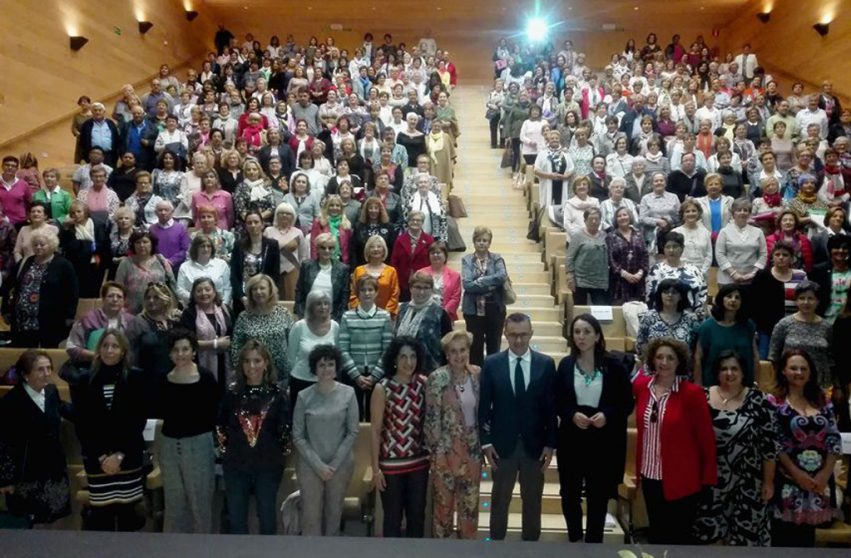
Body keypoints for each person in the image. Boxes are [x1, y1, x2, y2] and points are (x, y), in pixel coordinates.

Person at [480, 313, 557, 541]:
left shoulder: (546, 364)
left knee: (532, 501)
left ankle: (530, 549)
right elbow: (484, 407)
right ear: (505, 334)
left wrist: (550, 444)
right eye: (513, 335)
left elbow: (551, 408)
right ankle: (496, 547)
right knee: (499, 501)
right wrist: (486, 442)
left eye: (523, 334)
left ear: (531, 334)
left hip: (535, 446)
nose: (519, 340)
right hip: (502, 445)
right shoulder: (492, 363)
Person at [556, 314, 633, 542]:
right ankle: (574, 539)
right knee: (569, 493)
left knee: (597, 495)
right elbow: (557, 400)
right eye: (577, 332)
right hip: (572, 437)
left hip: (602, 439)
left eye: (587, 331)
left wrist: (607, 415)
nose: (581, 336)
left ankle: (593, 544)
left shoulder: (614, 366)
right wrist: (571, 414)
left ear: (597, 336)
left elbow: (626, 403)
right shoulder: (566, 365)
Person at [633, 337, 717, 545]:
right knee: (657, 535)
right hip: (650, 474)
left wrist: (708, 479)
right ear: (652, 360)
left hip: (682, 478)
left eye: (670, 358)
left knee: (678, 539)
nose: (664, 362)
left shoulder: (692, 394)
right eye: (659, 357)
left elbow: (706, 439)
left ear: (679, 361)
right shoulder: (642, 387)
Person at [62, 330, 147, 531]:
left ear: (123, 351)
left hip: (128, 458)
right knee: (101, 522)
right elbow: (83, 424)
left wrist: (119, 455)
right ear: (98, 350)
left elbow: (137, 421)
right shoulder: (85, 380)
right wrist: (102, 457)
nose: (109, 350)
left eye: (115, 346)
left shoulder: (135, 378)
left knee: (129, 520)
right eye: (105, 345)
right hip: (96, 460)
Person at [693, 351, 778, 546]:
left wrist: (768, 482)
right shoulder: (701, 397)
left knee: (743, 544)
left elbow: (770, 447)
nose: (729, 373)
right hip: (710, 483)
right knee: (710, 540)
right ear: (716, 372)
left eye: (734, 369)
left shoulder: (761, 401)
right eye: (724, 369)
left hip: (749, 485)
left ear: (743, 372)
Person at [769, 349, 841, 547]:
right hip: (787, 481)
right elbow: (775, 442)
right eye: (793, 368)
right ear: (783, 371)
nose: (799, 372)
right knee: (784, 541)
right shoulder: (774, 402)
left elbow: (833, 439)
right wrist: (796, 474)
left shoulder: (823, 400)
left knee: (808, 543)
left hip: (818, 483)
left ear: (810, 373)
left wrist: (825, 474)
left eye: (803, 368)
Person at [217, 340, 290, 535]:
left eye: (257, 360)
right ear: (241, 365)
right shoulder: (232, 393)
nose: (252, 366)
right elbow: (221, 426)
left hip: (268, 465)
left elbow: (285, 430)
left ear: (266, 363)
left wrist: (278, 456)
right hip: (236, 465)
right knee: (236, 518)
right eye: (247, 361)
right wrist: (227, 453)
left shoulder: (278, 394)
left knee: (267, 517)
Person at [293, 344, 359, 536]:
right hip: (310, 465)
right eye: (321, 365)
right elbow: (298, 435)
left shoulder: (349, 393)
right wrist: (319, 466)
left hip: (340, 465)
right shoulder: (303, 396)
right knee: (310, 518)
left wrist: (333, 465)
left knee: (333, 517)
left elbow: (352, 432)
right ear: (314, 368)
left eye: (330, 364)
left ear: (336, 367)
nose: (326, 369)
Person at [0, 350, 72, 526]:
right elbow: (4, 444)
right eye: (40, 369)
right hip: (27, 475)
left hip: (54, 471)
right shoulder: (11, 402)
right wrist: (6, 479)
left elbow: (62, 409)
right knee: (31, 525)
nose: (47, 373)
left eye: (49, 368)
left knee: (56, 520)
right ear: (25, 374)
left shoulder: (51, 391)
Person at [158, 329, 219, 533]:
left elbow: (214, 412)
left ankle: (202, 546)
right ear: (170, 354)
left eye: (185, 349)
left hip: (199, 445)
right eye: (176, 350)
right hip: (169, 446)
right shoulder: (164, 379)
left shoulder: (206, 377)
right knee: (174, 504)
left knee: (200, 502)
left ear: (193, 351)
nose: (180, 354)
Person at [424, 330, 482, 539]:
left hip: (472, 451)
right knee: (443, 509)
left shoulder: (477, 374)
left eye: (463, 350)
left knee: (469, 508)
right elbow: (432, 419)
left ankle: (467, 549)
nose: (459, 356)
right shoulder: (437, 378)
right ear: (447, 355)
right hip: (445, 452)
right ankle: (442, 550)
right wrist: (437, 453)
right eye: (454, 351)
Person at [369, 336, 429, 537]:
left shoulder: (424, 384)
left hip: (419, 463)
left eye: (413, 356)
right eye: (403, 356)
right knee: (392, 519)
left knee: (417, 518)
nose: (408, 362)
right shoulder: (382, 387)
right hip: (391, 466)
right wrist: (375, 469)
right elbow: (375, 430)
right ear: (394, 359)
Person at [4, 231, 79, 348]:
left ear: (51, 245)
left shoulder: (64, 265)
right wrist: (5, 309)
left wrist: (70, 315)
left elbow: (72, 292)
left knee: (47, 352)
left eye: (42, 244)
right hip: (22, 321)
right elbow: (7, 285)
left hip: (50, 322)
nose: (38, 247)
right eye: (35, 244)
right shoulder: (25, 262)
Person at [339, 275, 393, 420]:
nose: (367, 293)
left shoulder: (384, 316)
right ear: (358, 293)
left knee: (374, 417)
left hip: (377, 376)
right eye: (363, 290)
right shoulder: (347, 316)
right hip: (353, 375)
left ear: (376, 292)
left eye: (370, 289)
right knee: (353, 417)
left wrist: (374, 376)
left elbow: (387, 350)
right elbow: (343, 349)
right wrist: (356, 376)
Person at [231, 274, 294, 387]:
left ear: (270, 290)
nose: (258, 292)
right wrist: (241, 370)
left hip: (281, 373)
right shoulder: (244, 317)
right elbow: (236, 347)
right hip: (253, 374)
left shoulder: (283, 313)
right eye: (254, 289)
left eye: (262, 288)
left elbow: (293, 342)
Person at [768, 282, 833, 388]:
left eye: (810, 298)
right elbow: (774, 356)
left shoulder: (827, 327)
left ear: (818, 301)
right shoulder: (784, 324)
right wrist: (776, 381)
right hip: (790, 382)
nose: (806, 302)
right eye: (802, 298)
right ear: (796, 301)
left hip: (819, 383)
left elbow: (831, 359)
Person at [751, 243, 810, 359]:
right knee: (765, 363)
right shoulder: (762, 275)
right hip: (766, 330)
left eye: (785, 255)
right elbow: (753, 304)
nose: (781, 257)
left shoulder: (800, 276)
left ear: (792, 258)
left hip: (794, 329)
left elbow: (806, 299)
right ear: (772, 257)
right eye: (777, 254)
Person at [461, 226, 508, 366]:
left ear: (489, 242)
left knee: (494, 345)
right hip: (473, 309)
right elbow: (468, 284)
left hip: (495, 307)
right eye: (478, 240)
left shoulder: (497, 258)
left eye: (485, 240)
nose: (481, 243)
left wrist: (481, 281)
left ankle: (492, 374)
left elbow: (502, 276)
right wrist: (490, 284)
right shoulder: (467, 260)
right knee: (475, 346)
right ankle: (476, 375)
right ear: (474, 242)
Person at [178, 277, 234, 391]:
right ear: (193, 294)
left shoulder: (225, 309)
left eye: (207, 289)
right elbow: (186, 343)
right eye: (199, 290)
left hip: (225, 362)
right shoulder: (188, 314)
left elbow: (233, 334)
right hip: (199, 363)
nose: (204, 293)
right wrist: (215, 344)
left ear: (214, 292)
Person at [288, 290, 340, 405]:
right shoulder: (299, 326)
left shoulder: (335, 326)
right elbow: (291, 357)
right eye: (318, 304)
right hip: (301, 381)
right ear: (311, 306)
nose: (323, 307)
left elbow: (337, 355)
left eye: (326, 303)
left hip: (327, 381)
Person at [395, 271, 453, 374]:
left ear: (431, 290)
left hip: (431, 373)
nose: (421, 292)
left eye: (426, 288)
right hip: (403, 370)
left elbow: (449, 347)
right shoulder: (402, 309)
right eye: (418, 287)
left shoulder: (440, 313)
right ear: (411, 288)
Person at [66, 281, 135, 364]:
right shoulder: (88, 319)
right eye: (110, 296)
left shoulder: (131, 321)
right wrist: (99, 356)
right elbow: (71, 347)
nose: (115, 299)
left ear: (124, 301)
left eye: (119, 297)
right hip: (90, 366)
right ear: (103, 299)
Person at [230, 211, 281, 312]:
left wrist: (267, 293)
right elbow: (234, 273)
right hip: (243, 299)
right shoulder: (238, 245)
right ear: (245, 226)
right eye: (249, 223)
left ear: (262, 224)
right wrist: (241, 296)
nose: (253, 225)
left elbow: (275, 273)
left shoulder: (272, 245)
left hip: (264, 296)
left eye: (256, 222)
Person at [114, 230, 175, 314]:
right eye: (138, 242)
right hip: (131, 313)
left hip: (159, 311)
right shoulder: (125, 263)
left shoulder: (161, 261)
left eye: (145, 242)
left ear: (152, 243)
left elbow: (172, 284)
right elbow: (118, 288)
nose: (141, 245)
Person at [294, 232, 351, 321]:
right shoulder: (306, 266)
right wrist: (302, 316)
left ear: (334, 249)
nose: (327, 250)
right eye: (323, 247)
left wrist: (335, 320)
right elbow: (299, 292)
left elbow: (344, 298)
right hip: (308, 317)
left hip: (333, 317)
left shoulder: (343, 269)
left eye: (330, 248)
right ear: (317, 249)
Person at [715, 198, 767, 285]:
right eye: (739, 210)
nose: (742, 212)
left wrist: (753, 273)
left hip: (751, 279)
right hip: (727, 279)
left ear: (749, 214)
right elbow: (720, 254)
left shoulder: (758, 232)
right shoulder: (724, 232)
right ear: (733, 213)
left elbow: (763, 254)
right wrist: (733, 274)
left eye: (745, 210)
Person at [566, 207, 611, 305]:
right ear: (585, 221)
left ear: (600, 220)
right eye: (591, 219)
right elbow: (570, 257)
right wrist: (570, 276)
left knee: (601, 309)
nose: (594, 222)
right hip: (580, 280)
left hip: (600, 280)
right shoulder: (578, 236)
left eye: (596, 219)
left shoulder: (605, 236)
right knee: (581, 309)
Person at [348, 235, 400, 318]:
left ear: (384, 250)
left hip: (385, 316)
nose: (376, 249)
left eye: (379, 246)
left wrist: (385, 313)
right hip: (361, 316)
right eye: (372, 247)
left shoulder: (391, 271)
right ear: (367, 250)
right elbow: (354, 294)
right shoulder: (358, 270)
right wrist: (361, 312)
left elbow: (394, 295)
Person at [606, 206, 648, 304]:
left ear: (630, 217)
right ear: (616, 219)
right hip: (619, 283)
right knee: (619, 309)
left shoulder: (639, 234)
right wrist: (625, 275)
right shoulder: (611, 236)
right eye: (619, 216)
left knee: (637, 309)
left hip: (638, 281)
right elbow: (610, 259)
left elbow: (645, 255)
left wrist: (640, 273)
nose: (622, 218)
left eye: (625, 215)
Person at [176, 235, 231, 307]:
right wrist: (198, 300)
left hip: (219, 306)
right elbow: (180, 290)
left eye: (209, 246)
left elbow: (227, 288)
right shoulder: (185, 267)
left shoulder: (222, 264)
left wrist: (223, 305)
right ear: (195, 248)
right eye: (202, 246)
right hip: (193, 307)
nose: (206, 249)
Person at [390, 211, 434, 302]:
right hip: (403, 283)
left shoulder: (429, 240)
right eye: (412, 220)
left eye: (418, 220)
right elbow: (394, 261)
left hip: (423, 282)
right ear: (408, 222)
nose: (415, 222)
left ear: (422, 223)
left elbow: (431, 261)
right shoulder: (400, 240)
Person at [418, 241, 461, 321]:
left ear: (445, 256)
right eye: (432, 253)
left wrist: (443, 312)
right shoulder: (420, 273)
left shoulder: (455, 275)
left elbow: (455, 298)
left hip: (446, 316)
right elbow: (417, 293)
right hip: (424, 315)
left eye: (438, 253)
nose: (435, 255)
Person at [639, 171, 680, 251]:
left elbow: (679, 215)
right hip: (652, 235)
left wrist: (668, 221)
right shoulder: (645, 198)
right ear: (652, 184)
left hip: (672, 233)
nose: (659, 183)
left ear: (665, 183)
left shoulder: (674, 197)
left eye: (661, 180)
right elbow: (642, 218)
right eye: (656, 181)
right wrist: (658, 222)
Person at [671, 199, 713, 277]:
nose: (691, 214)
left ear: (698, 213)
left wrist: (701, 272)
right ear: (682, 214)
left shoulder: (705, 232)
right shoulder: (675, 232)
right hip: (680, 274)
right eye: (687, 211)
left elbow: (709, 255)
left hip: (701, 274)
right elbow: (672, 255)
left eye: (694, 211)